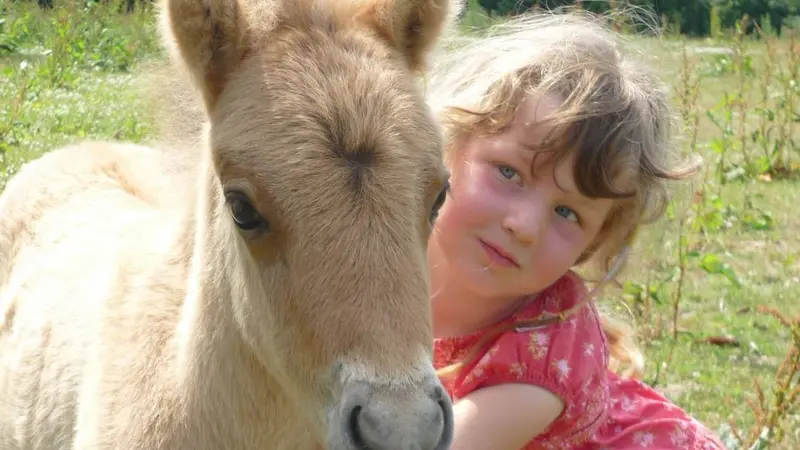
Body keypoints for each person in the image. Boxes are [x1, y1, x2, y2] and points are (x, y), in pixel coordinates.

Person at [424, 9, 727, 450]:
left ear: (593, 243)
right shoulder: (385, 249)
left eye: (568, 213)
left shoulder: (543, 359)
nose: (524, 226)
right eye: (508, 173)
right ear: (449, 144)